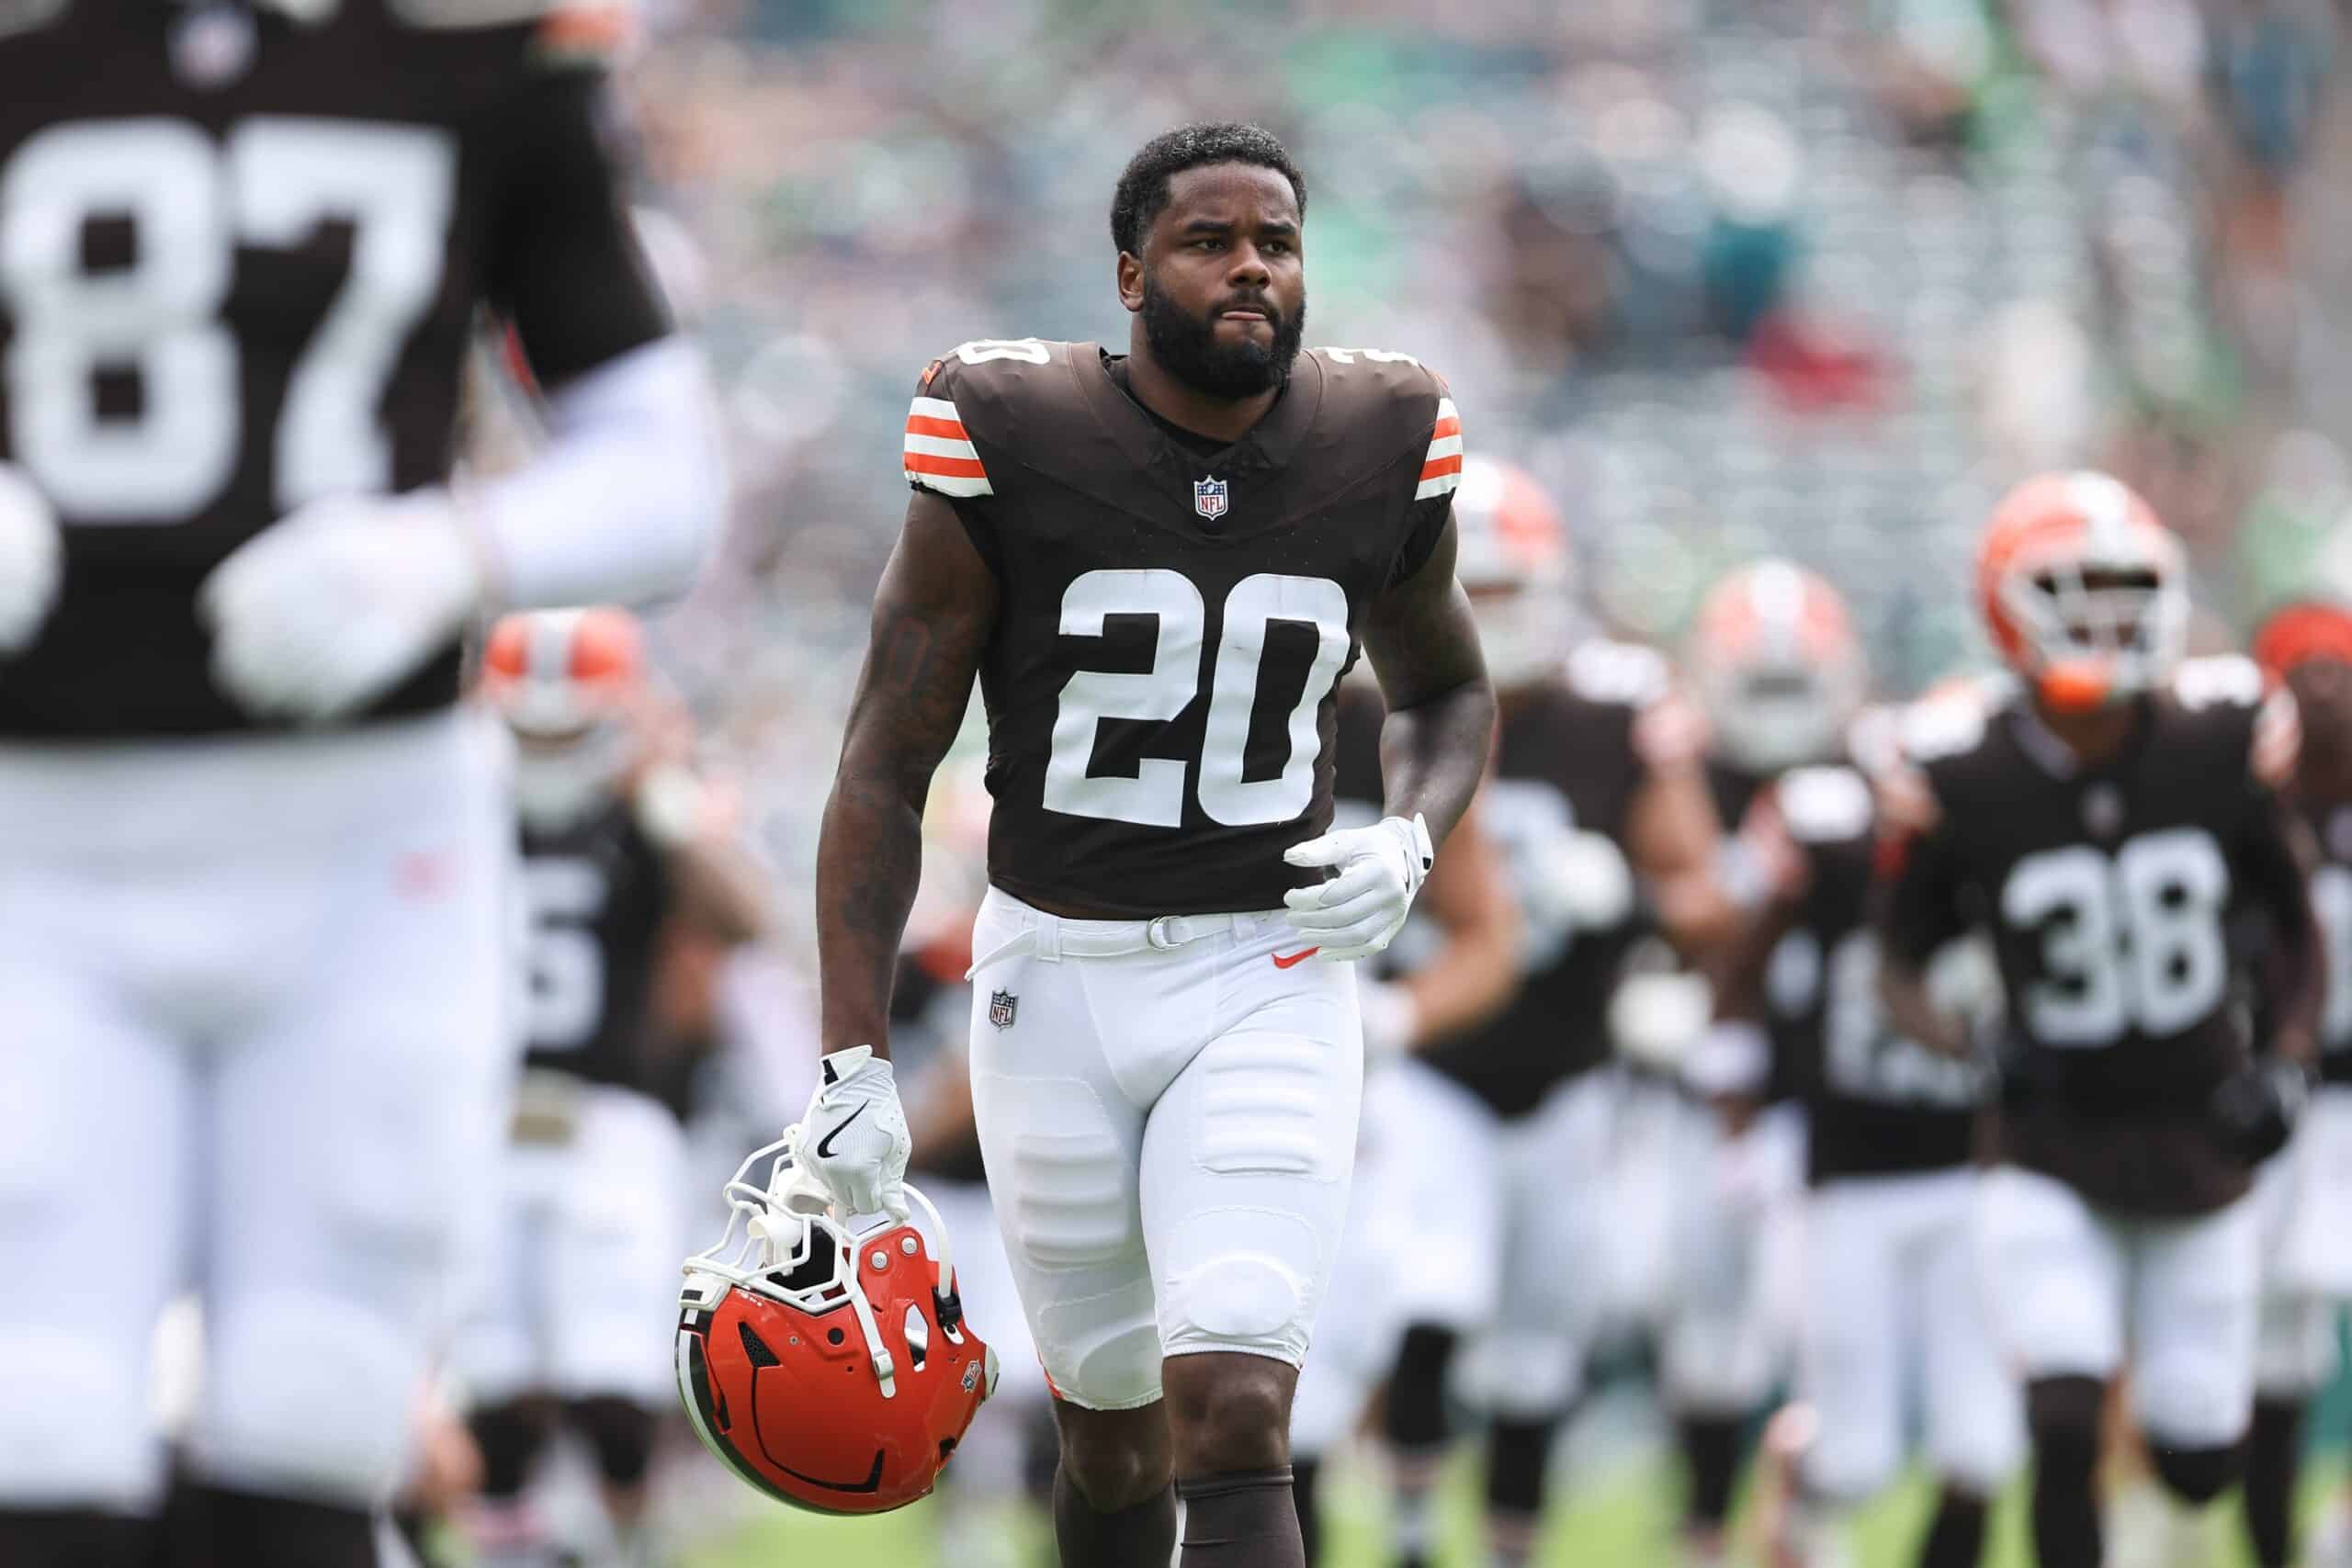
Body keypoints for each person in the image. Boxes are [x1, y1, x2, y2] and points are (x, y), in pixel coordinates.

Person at [0, 0, 722, 1559]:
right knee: (35, 1419)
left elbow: (666, 466)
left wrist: (457, 549)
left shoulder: (469, 60)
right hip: (31, 843)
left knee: (316, 1417)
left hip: (360, 838)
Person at [801, 122, 1496, 1568]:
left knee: (1237, 1404)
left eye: (1277, 242)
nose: (1251, 267)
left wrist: (1415, 833)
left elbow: (1446, 686)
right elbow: (884, 758)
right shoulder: (1006, 423)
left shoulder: (1386, 431)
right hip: (1051, 973)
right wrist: (852, 1059)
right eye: (1209, 240)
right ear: (1130, 272)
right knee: (1108, 1432)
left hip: (1269, 965)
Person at [1876, 471, 2320, 1568]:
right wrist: (1973, 1045)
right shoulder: (1962, 773)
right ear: (2005, 605)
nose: (2104, 620)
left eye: (2125, 592)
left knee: (2197, 1457)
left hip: (2199, 1144)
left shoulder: (2218, 744)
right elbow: (1897, 961)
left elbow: (2298, 925)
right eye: (2075, 592)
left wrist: (2288, 1059)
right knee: (2062, 1414)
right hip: (2047, 1149)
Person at [1376, 457, 1732, 1568]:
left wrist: (1625, 891)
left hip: (1571, 1073)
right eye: (1465, 591)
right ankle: (1411, 1529)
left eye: (1506, 592)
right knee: (1431, 1296)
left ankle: (1505, 1548)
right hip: (1432, 1062)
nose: (1484, 620)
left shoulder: (1612, 709)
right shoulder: (1365, 707)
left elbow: (1703, 897)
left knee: (1537, 1345)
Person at [459, 609, 767, 1568]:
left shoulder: (650, 813)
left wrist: (662, 797)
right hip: (480, 1118)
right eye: (531, 723)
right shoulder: (462, 801)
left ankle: (629, 1548)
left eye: (570, 722)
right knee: (493, 1384)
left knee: (608, 1381)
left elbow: (747, 918)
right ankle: (515, 1550)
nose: (549, 742)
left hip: (611, 1118)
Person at [1720, 671, 2023, 1568]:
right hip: (1848, 1178)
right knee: (1855, 1461)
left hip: (1972, 1173)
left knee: (1981, 1446)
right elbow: (1740, 972)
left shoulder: (2016, 852)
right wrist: (1737, 1112)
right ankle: (1795, 1488)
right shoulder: (1835, 842)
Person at [1291, 670, 1518, 1566]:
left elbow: (1489, 936)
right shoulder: (1216, 697)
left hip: (1385, 1087)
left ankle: (1413, 1542)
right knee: (1272, 1367)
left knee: (1427, 1311)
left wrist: (1397, 1016)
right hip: (1244, 1060)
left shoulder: (1407, 722)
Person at [1668, 559, 1869, 1568]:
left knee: (1807, 1333)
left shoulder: (1872, 777)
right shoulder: (1677, 772)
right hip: (1689, 1098)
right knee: (1703, 1336)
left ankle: (1799, 1523)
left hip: (1816, 1099)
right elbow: (1670, 915)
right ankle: (1706, 1531)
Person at [2238, 599, 2352, 1568]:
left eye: (2338, 668)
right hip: (2276, 1098)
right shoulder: (2242, 804)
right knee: (2273, 1349)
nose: (2322, 688)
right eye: (2300, 668)